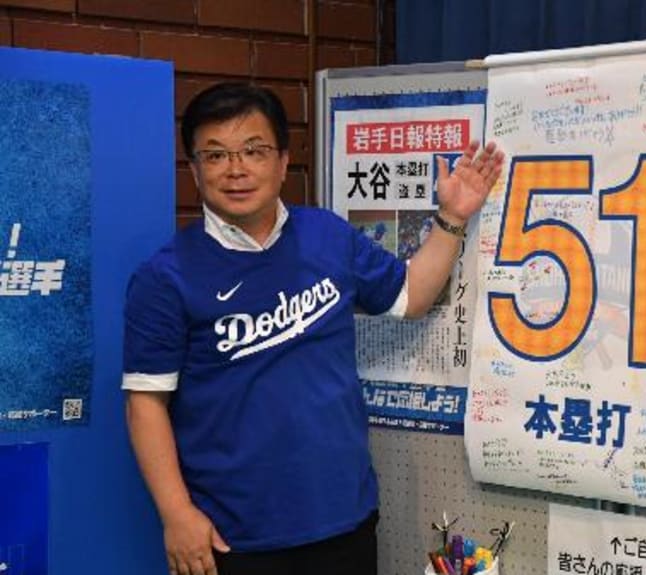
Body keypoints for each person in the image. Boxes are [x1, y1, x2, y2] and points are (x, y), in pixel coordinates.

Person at [122, 82, 503, 575]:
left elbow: (411, 297)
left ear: (283, 162)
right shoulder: (165, 276)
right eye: (215, 155)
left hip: (344, 520)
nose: (236, 169)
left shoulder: (328, 236)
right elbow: (145, 404)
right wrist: (176, 515)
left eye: (254, 151)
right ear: (194, 170)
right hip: (231, 536)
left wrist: (452, 216)